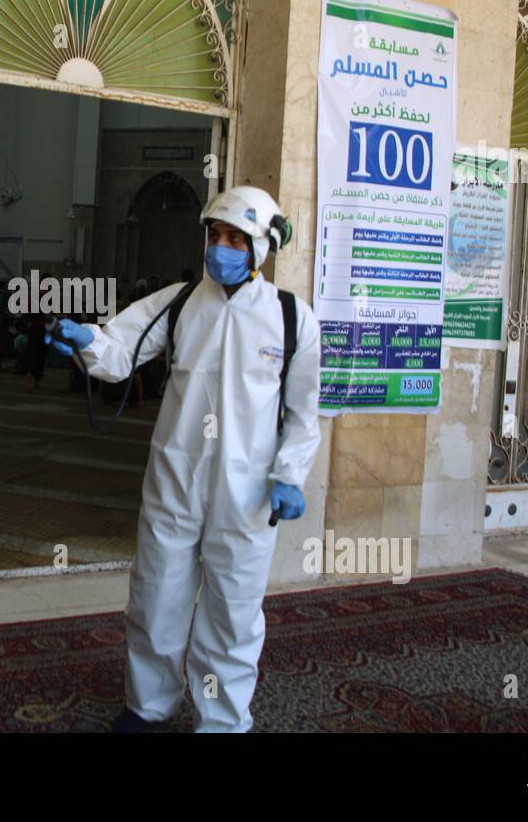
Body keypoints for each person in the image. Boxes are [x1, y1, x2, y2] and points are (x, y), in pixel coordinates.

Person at [47, 185, 321, 733]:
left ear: (262, 247)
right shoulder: (176, 303)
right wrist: (87, 342)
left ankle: (222, 721)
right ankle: (149, 707)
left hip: (246, 499)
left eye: (236, 239)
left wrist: (289, 476)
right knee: (155, 600)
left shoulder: (292, 320)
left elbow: (303, 414)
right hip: (175, 483)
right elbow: (120, 351)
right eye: (215, 235)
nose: (221, 247)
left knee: (233, 613)